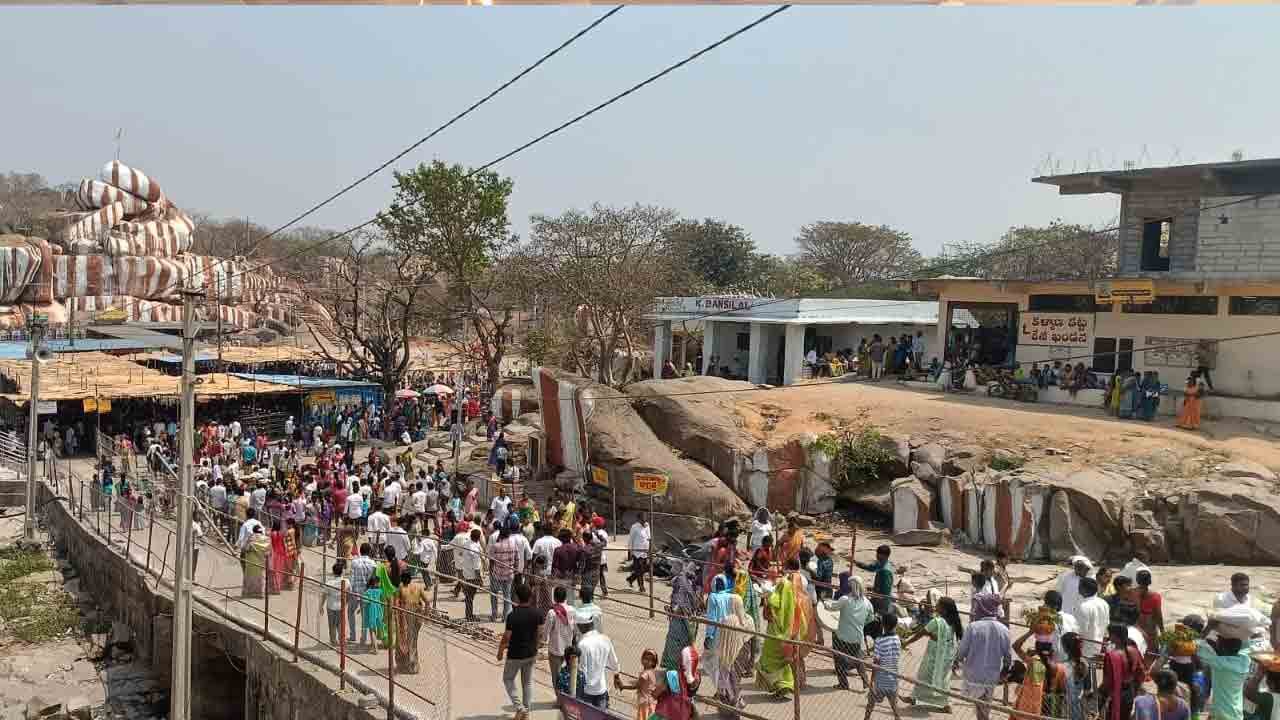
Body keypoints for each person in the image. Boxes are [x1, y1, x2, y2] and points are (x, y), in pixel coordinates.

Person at [954, 593, 1011, 720]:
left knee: (981, 708)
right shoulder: (1003, 629)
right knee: (985, 706)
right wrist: (1004, 672)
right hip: (992, 675)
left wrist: (956, 661)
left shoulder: (973, 627)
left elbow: (962, 651)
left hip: (974, 674)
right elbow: (1008, 657)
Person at [904, 596, 962, 711]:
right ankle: (920, 699)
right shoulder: (953, 621)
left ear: (944, 609)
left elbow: (920, 633)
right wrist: (932, 635)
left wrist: (906, 642)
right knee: (943, 679)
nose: (936, 606)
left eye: (938, 605)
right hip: (948, 654)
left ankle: (918, 698)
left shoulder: (937, 621)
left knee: (924, 675)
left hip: (935, 655)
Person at [498, 583, 542, 720]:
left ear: (517, 597)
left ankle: (520, 708)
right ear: (530, 597)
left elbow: (506, 636)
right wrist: (536, 647)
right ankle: (526, 713)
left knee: (508, 679)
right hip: (530, 653)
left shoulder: (512, 616)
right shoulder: (537, 613)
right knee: (527, 682)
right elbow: (540, 633)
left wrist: (500, 651)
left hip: (515, 654)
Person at [824, 573, 873, 691]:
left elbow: (832, 607)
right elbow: (871, 618)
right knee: (858, 659)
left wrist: (824, 602)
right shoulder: (867, 603)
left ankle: (843, 683)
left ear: (851, 587)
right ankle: (866, 682)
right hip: (857, 636)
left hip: (841, 636)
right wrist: (860, 624)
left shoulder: (845, 599)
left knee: (838, 659)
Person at [1197, 621, 1250, 720]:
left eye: (1218, 642)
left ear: (1223, 647)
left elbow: (1196, 645)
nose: (1216, 644)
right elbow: (1246, 644)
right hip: (1237, 715)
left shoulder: (1219, 663)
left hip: (1221, 715)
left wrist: (1209, 627)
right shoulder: (1245, 661)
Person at [712, 593, 753, 715]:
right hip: (743, 655)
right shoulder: (749, 620)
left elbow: (719, 640)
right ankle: (735, 707)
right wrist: (751, 662)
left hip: (727, 655)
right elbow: (752, 640)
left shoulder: (726, 620)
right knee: (736, 681)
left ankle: (729, 710)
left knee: (727, 681)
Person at [1012, 628, 1066, 718]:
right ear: (1052, 650)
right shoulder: (1061, 668)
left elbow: (1016, 646)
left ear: (1037, 649)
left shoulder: (1034, 665)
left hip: (1033, 710)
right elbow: (1062, 693)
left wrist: (1030, 632)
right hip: (1050, 710)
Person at [576, 607, 619, 710]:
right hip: (601, 689)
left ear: (580, 626)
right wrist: (616, 675)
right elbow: (614, 664)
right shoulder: (605, 639)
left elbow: (582, 670)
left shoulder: (582, 644)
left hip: (587, 692)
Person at [1101, 623, 1146, 720]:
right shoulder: (1135, 651)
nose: (1109, 637)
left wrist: (1102, 697)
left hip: (1116, 695)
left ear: (1116, 637)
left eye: (1111, 634)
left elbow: (1107, 681)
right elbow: (1141, 673)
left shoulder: (1112, 656)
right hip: (1129, 692)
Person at [864, 613, 903, 720]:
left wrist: (872, 681)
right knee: (894, 706)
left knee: (871, 702)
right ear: (895, 625)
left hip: (881, 679)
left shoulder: (879, 641)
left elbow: (876, 662)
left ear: (883, 625)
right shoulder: (897, 639)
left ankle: (866, 718)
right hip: (893, 678)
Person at [662, 564, 699, 671]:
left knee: (675, 642)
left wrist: (673, 610)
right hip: (688, 617)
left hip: (680, 619)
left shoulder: (680, 581)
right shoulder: (686, 581)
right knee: (685, 643)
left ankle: (674, 667)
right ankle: (683, 665)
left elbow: (678, 601)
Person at [395, 567, 427, 673]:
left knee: (405, 640)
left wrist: (396, 618)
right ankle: (413, 664)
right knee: (413, 640)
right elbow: (427, 602)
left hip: (405, 616)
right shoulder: (418, 587)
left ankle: (408, 664)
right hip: (417, 615)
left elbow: (395, 604)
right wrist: (424, 616)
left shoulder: (400, 587)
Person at [614, 649, 659, 720]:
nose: (648, 662)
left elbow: (636, 686)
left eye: (651, 660)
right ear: (642, 659)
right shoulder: (653, 672)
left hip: (645, 702)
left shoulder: (645, 674)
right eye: (646, 659)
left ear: (654, 663)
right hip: (651, 702)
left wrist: (623, 687)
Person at [546, 585, 575, 684]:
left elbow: (546, 631)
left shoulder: (552, 612)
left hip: (555, 649)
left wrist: (544, 639)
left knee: (556, 678)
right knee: (570, 676)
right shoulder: (572, 610)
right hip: (568, 648)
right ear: (565, 597)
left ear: (554, 598)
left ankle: (560, 698)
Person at [1075, 577, 1110, 658]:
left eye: (1080, 586)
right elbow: (1106, 625)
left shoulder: (1084, 606)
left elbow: (1080, 631)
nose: (1078, 588)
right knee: (1092, 669)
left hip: (1086, 648)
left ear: (1084, 589)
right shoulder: (1104, 603)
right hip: (1099, 645)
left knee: (1086, 669)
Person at [856, 545, 895, 615]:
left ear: (884, 555)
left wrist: (874, 593)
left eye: (878, 554)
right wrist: (855, 562)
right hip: (876, 596)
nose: (876, 556)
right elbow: (870, 568)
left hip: (881, 600)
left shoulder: (886, 571)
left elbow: (885, 590)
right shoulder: (880, 564)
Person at [1136, 569, 1165, 651]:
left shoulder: (1132, 593)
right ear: (1149, 581)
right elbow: (1158, 615)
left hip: (1136, 624)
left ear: (1137, 580)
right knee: (1151, 649)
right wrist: (1162, 630)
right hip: (1150, 626)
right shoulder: (1155, 596)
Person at [241, 526, 271, 598]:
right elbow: (268, 552)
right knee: (261, 577)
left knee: (250, 576)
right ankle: (260, 593)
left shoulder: (250, 538)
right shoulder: (267, 539)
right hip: (261, 561)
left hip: (250, 561)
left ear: (253, 531)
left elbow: (244, 548)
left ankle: (249, 593)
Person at [361, 575, 385, 650]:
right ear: (376, 583)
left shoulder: (367, 592)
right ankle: (381, 645)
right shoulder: (380, 591)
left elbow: (365, 602)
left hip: (371, 612)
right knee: (380, 629)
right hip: (379, 611)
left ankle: (375, 648)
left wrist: (361, 608)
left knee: (372, 631)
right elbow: (383, 600)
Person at [626, 518, 650, 592]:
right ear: (639, 520)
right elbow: (630, 540)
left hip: (645, 552)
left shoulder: (647, 526)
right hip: (637, 552)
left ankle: (630, 579)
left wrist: (649, 549)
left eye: (645, 521)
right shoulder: (634, 527)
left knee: (643, 569)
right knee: (639, 570)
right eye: (643, 521)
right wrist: (630, 552)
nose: (644, 522)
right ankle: (641, 586)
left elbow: (649, 538)